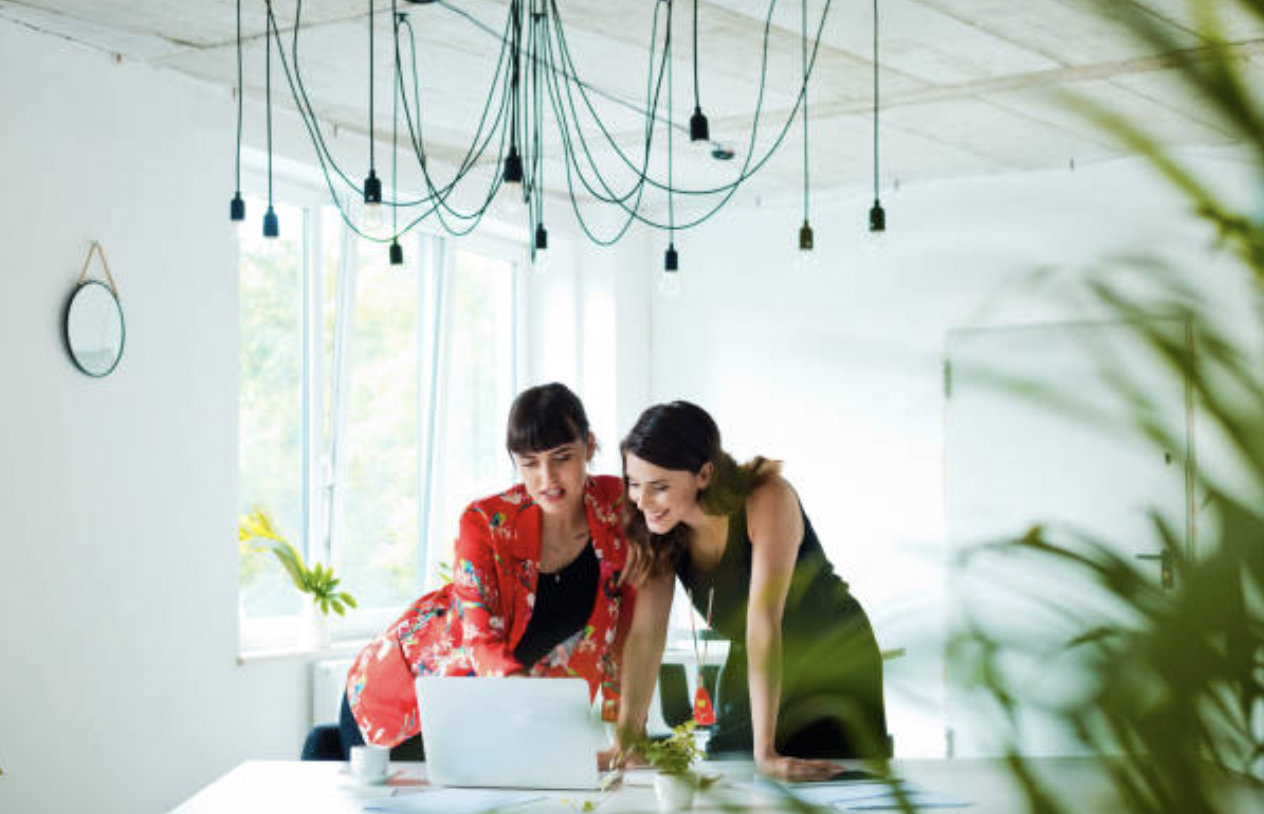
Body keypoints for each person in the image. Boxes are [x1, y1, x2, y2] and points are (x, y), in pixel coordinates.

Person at [341, 383, 636, 754]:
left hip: (493, 716)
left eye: (562, 457)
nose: (547, 478)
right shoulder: (485, 523)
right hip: (403, 698)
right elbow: (480, 639)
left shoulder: (621, 509)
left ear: (589, 446)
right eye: (529, 463)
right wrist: (528, 706)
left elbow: (629, 631)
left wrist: (625, 734)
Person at [615, 401, 887, 781]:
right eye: (634, 483)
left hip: (833, 661)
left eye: (659, 487)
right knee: (734, 780)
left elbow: (763, 622)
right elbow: (645, 635)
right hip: (757, 667)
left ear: (704, 474)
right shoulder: (659, 526)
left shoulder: (766, 497)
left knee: (828, 786)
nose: (642, 501)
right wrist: (627, 740)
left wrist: (766, 753)